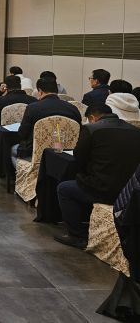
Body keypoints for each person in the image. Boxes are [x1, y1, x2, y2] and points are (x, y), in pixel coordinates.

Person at [55, 104, 140, 249]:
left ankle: (76, 235)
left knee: (64, 188)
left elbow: (78, 157)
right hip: (129, 192)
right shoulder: (135, 130)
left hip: (103, 190)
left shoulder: (91, 129)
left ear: (92, 117)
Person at [12, 78, 82, 166]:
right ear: (56, 91)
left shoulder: (32, 108)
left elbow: (22, 134)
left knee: (13, 149)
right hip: (65, 156)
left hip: (36, 155)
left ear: (40, 91)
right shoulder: (73, 109)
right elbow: (79, 133)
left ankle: (27, 173)